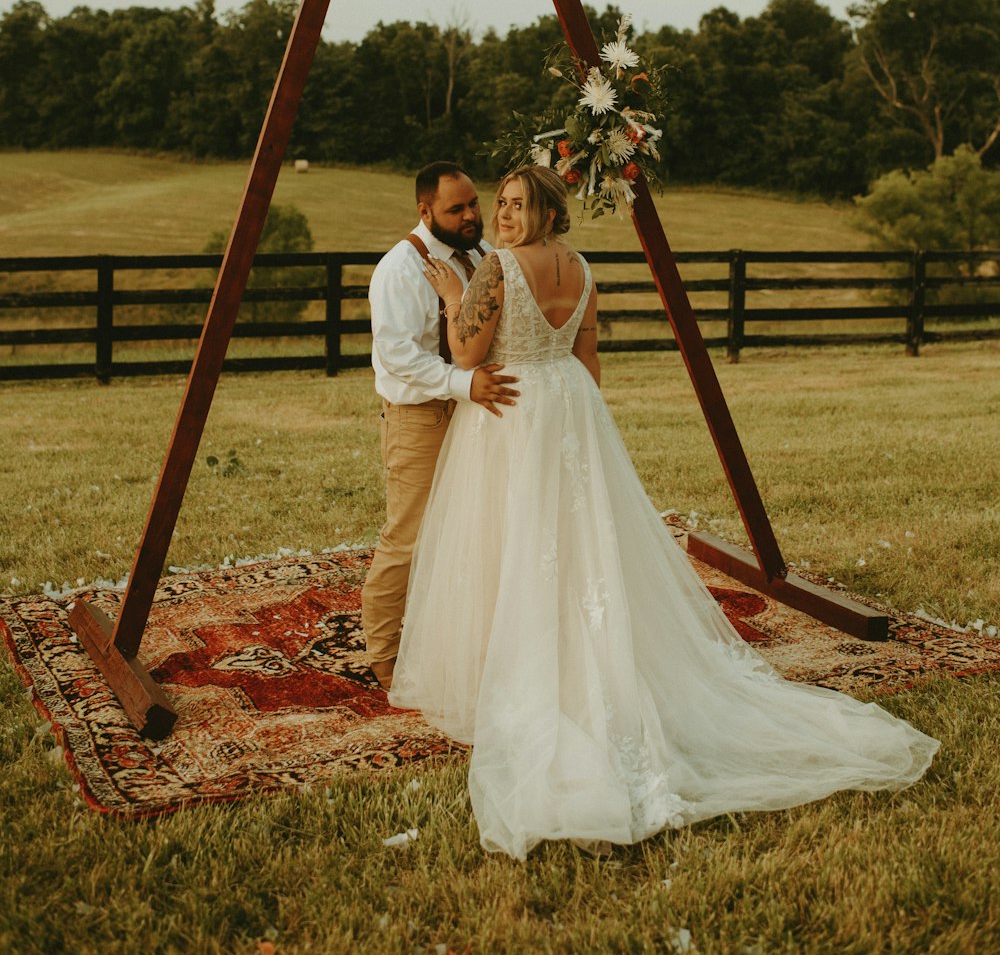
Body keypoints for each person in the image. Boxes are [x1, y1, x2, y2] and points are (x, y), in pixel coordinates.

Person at [389, 165, 939, 860]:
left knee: (515, 543)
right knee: (579, 543)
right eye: (501, 204)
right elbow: (588, 363)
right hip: (571, 410)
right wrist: (576, 426)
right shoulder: (582, 269)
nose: (503, 215)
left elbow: (468, 351)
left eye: (517, 204)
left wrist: (450, 295)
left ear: (548, 214)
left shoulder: (495, 271)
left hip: (514, 415)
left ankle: (528, 677)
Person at [361, 161, 519, 691]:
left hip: (475, 416)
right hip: (421, 418)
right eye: (458, 209)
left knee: (471, 529)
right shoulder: (399, 270)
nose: (473, 215)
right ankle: (382, 656)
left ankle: (455, 639)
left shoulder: (478, 257)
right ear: (425, 210)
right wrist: (464, 384)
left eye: (475, 203)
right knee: (408, 538)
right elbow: (400, 357)